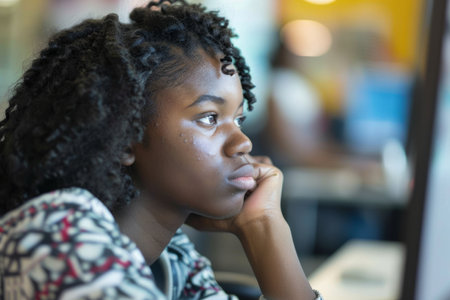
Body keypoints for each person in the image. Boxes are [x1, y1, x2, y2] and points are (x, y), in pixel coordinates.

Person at [0, 1, 321, 299]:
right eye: (210, 118)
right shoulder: (60, 236)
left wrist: (263, 225)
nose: (244, 143)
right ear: (126, 135)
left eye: (238, 119)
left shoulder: (173, 258)